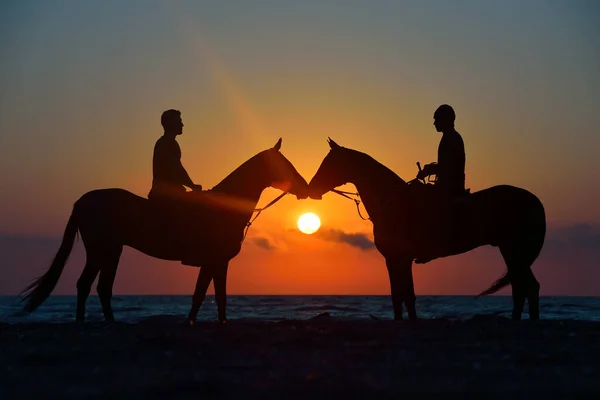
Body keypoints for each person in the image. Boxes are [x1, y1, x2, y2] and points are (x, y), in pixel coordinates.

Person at [148, 109, 204, 266]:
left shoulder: (167, 143)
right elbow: (176, 170)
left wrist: (191, 186)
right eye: (179, 121)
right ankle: (190, 251)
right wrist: (192, 186)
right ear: (170, 123)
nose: (182, 124)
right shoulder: (168, 143)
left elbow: (177, 169)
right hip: (166, 195)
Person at [413, 104, 467, 263]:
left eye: (437, 119)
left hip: (450, 186)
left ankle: (430, 246)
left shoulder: (452, 138)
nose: (434, 123)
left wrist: (430, 170)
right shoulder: (450, 137)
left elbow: (449, 165)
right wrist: (432, 168)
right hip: (447, 184)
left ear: (446, 120)